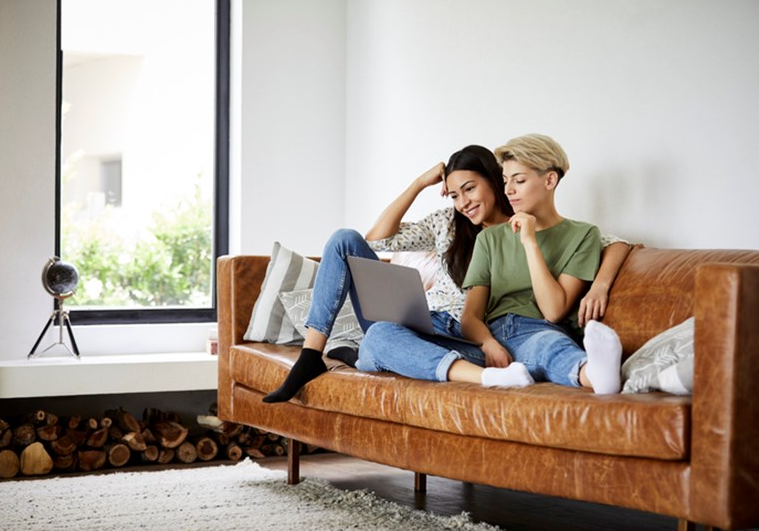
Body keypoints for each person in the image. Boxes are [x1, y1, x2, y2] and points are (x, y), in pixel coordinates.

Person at [264, 143, 628, 403]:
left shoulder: (540, 229)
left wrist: (600, 285)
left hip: (473, 334)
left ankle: (360, 357)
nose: (463, 202)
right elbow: (377, 239)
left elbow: (615, 243)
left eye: (470, 189)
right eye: (454, 194)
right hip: (430, 320)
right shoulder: (448, 225)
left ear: (493, 181)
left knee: (377, 345)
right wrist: (419, 184)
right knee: (345, 243)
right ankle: (313, 355)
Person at [357, 134, 623, 394]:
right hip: (488, 337)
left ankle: (594, 374)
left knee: (550, 347)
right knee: (380, 334)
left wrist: (530, 243)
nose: (508, 190)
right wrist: (488, 344)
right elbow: (471, 316)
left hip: (536, 329)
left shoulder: (583, 234)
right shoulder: (490, 237)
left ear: (550, 179)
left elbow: (553, 310)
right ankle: (489, 377)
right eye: (506, 181)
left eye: (518, 181)